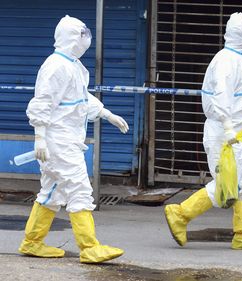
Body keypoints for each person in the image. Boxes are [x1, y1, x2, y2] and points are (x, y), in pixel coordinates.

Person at [18, 15, 129, 263]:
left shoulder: (72, 65)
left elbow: (81, 98)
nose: (86, 38)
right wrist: (40, 137)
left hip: (63, 140)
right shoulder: (56, 66)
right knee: (79, 188)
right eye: (82, 34)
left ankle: (32, 242)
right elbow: (42, 102)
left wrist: (105, 113)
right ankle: (89, 247)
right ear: (70, 37)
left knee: (52, 191)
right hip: (59, 142)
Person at [164, 12, 242, 250]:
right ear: (238, 34)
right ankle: (180, 214)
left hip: (241, 132)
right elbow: (221, 98)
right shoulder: (226, 61)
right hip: (227, 133)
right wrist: (227, 128)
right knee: (228, 185)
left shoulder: (238, 59)